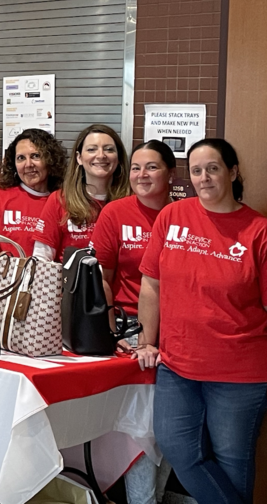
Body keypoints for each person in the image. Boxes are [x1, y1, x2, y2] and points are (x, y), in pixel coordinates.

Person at [137, 139, 267, 504]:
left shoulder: (258, 231)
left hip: (240, 375)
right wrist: (147, 340)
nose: (204, 177)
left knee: (232, 461)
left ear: (233, 172)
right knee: (177, 448)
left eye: (213, 168)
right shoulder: (172, 217)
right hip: (177, 366)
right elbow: (151, 285)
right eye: (196, 170)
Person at [89, 140, 176, 504]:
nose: (142, 175)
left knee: (169, 430)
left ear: (171, 172)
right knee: (137, 431)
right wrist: (114, 332)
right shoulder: (115, 212)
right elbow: (102, 279)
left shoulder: (185, 214)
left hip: (177, 336)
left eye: (152, 167)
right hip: (131, 335)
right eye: (136, 167)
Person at [33, 124, 130, 261]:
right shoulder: (60, 200)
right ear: (79, 158)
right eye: (91, 149)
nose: (101, 155)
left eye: (109, 149)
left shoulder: (131, 202)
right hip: (70, 282)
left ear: (119, 158)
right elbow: (41, 259)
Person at [0, 129, 66, 255]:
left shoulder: (63, 201)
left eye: (35, 156)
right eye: (21, 158)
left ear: (51, 160)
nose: (28, 164)